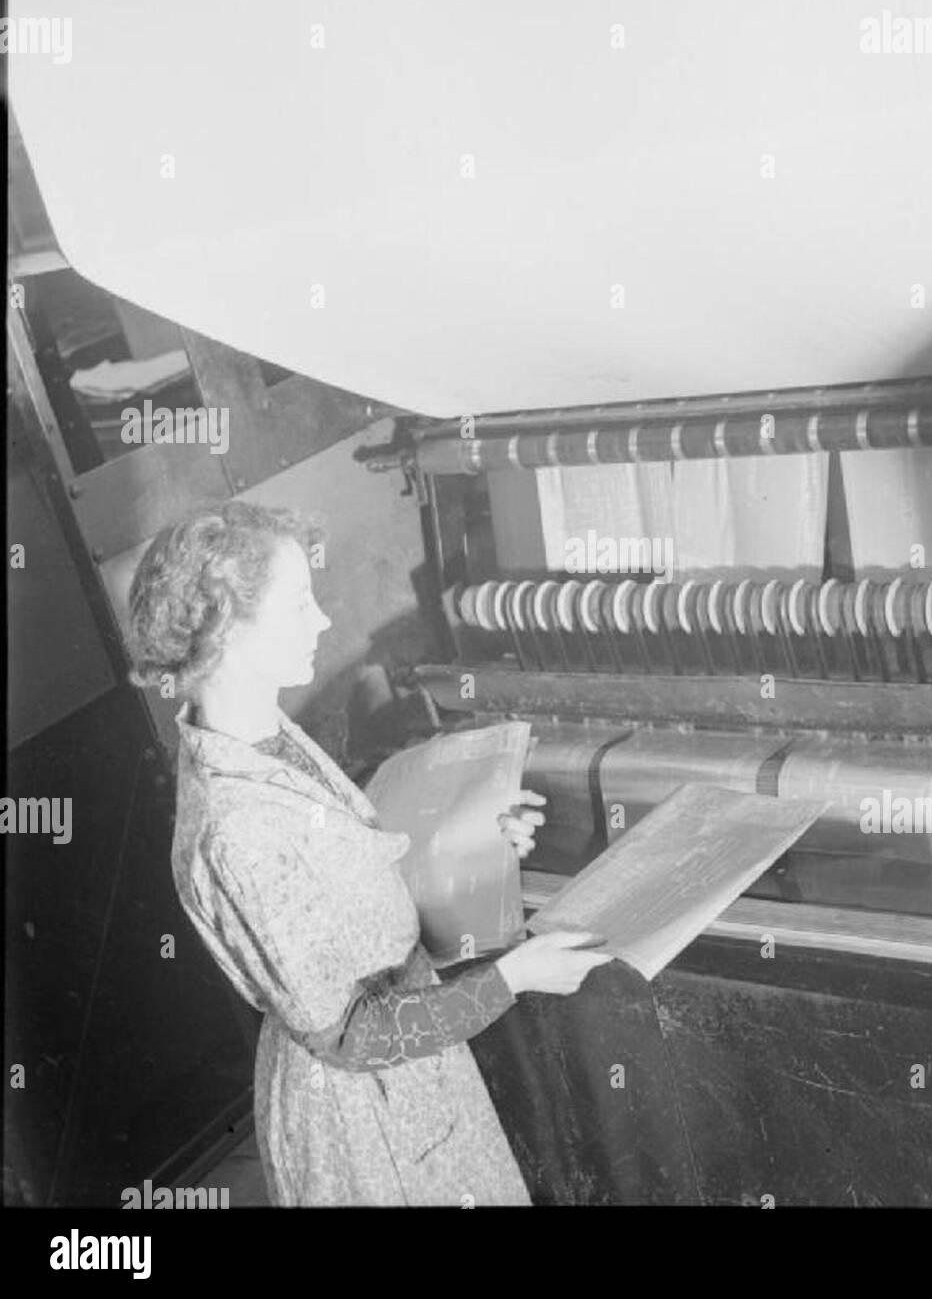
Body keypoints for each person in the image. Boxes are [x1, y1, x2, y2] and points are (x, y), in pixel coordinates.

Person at [127, 501, 610, 1205]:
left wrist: (472, 843)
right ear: (228, 634)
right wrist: (517, 976)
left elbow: (350, 887)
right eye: (299, 606)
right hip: (364, 1118)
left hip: (407, 1086)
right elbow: (350, 1036)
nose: (322, 622)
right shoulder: (237, 832)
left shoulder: (261, 734)